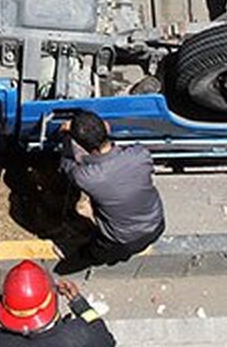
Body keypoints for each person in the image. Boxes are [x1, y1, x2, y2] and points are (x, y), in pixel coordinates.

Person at [59, 110, 165, 264]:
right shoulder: (140, 154)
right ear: (107, 127)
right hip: (157, 224)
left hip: (123, 241)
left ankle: (82, 259)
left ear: (80, 145)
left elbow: (66, 165)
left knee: (95, 253)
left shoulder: (86, 177)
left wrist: (65, 137)